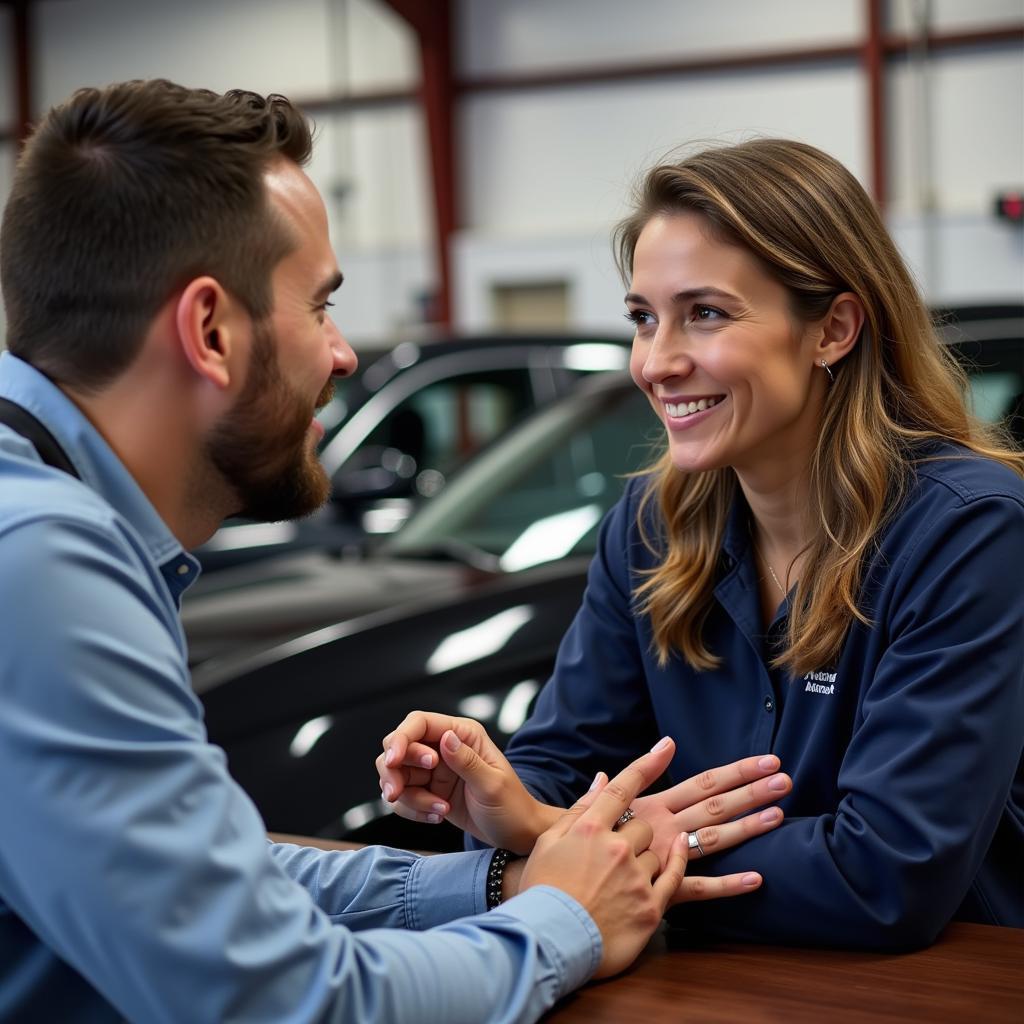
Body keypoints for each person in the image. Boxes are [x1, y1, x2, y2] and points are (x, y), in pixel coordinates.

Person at [0, 80, 789, 1024]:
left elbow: (211, 884)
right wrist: (559, 921)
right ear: (209, 331)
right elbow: (287, 1001)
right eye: (321, 306)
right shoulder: (43, 568)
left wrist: (493, 888)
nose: (341, 354)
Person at [377, 138, 1024, 951]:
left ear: (834, 328)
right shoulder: (648, 529)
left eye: (705, 314)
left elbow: (887, 873)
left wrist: (598, 843)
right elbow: (555, 772)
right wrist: (488, 795)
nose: (656, 361)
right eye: (644, 318)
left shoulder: (969, 531)